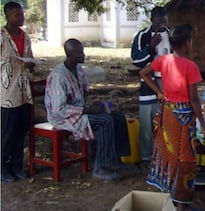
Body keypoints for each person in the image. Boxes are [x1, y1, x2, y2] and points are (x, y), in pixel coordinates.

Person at [139, 24, 205, 210]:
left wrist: (159, 92)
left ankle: (170, 198)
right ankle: (182, 203)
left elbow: (143, 73)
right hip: (184, 118)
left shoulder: (164, 60)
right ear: (187, 44)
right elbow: (194, 98)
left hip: (168, 114)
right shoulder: (191, 67)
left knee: (169, 155)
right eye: (191, 40)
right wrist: (203, 124)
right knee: (186, 158)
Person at [44, 39, 130, 181]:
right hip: (64, 117)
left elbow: (84, 93)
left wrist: (96, 105)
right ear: (70, 54)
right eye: (80, 52)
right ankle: (100, 168)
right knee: (105, 121)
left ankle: (117, 160)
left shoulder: (78, 70)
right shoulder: (59, 76)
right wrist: (86, 110)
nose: (84, 54)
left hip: (80, 111)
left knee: (118, 116)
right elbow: (58, 109)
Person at [1, 1, 37, 183]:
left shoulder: (26, 37)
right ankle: (2, 167)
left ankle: (16, 165)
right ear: (7, 16)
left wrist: (31, 64)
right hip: (6, 93)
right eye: (17, 15)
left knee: (21, 131)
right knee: (7, 132)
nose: (21, 17)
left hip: (24, 92)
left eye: (21, 14)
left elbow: (30, 61)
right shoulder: (1, 36)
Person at [130, 6, 171, 165]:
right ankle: (147, 157)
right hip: (148, 82)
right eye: (158, 22)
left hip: (167, 82)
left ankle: (165, 154)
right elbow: (136, 61)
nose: (161, 25)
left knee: (166, 118)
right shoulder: (142, 36)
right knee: (147, 121)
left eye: (164, 21)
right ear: (152, 20)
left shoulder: (170, 34)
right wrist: (151, 47)